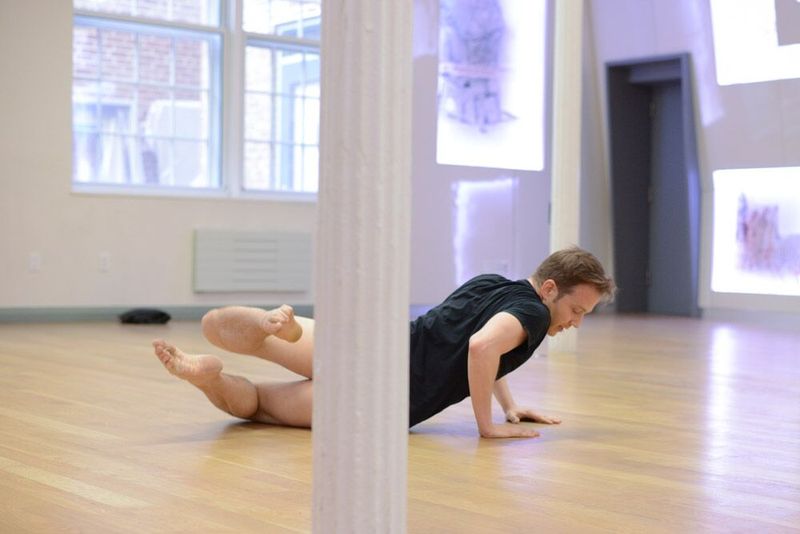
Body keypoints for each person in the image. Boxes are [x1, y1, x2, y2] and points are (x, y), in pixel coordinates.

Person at [153, 246, 615, 439]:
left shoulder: (493, 283)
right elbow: (480, 348)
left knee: (252, 338)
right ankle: (211, 379)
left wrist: (509, 406)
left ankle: (274, 330)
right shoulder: (535, 314)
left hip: (373, 345)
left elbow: (485, 346)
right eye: (577, 311)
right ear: (550, 289)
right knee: (257, 405)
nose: (575, 323)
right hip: (382, 400)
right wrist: (488, 428)